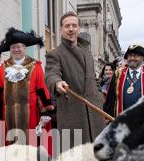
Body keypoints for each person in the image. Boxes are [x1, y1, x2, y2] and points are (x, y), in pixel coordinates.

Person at [45, 11, 105, 150]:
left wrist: (99, 98)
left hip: (95, 115)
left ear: (78, 28)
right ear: (61, 30)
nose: (71, 29)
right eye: (67, 26)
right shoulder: (55, 54)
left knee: (97, 159)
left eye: (74, 25)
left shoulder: (87, 53)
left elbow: (93, 79)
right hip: (72, 115)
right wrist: (57, 83)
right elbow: (51, 74)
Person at [0, 27, 54, 153]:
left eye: (19, 47)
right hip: (9, 116)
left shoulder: (36, 66)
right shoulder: (4, 67)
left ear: (24, 48)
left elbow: (42, 90)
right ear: (10, 49)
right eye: (13, 47)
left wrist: (45, 112)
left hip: (30, 116)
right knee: (10, 150)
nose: (16, 50)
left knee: (30, 149)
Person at [103, 44, 144, 117]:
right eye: (130, 55)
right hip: (122, 120)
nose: (132, 58)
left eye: (136, 55)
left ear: (143, 58)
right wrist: (108, 116)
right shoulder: (118, 74)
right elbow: (110, 99)